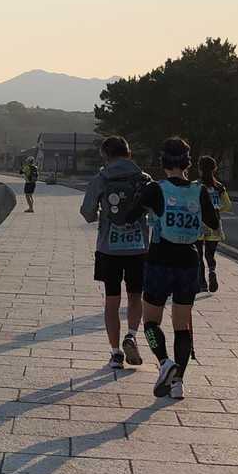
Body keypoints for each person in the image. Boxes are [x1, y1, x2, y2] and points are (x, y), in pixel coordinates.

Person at [133, 137, 218, 399]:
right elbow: (214, 223)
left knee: (150, 323)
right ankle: (178, 382)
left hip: (159, 260)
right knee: (182, 326)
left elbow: (128, 216)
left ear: (163, 161)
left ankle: (164, 362)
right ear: (187, 162)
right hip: (189, 261)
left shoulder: (155, 189)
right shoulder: (199, 190)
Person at [80, 136, 151, 369]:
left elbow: (87, 213)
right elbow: (155, 211)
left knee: (112, 299)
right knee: (135, 296)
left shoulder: (101, 179)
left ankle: (115, 353)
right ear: (129, 154)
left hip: (108, 249)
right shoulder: (144, 179)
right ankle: (131, 335)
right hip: (138, 248)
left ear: (105, 156)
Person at [197, 155, 231, 292]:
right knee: (210, 254)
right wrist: (216, 209)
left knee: (198, 255)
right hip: (215, 224)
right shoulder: (219, 187)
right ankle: (212, 272)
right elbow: (228, 205)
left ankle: (202, 283)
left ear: (199, 169)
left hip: (199, 224)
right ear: (214, 169)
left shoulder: (196, 186)